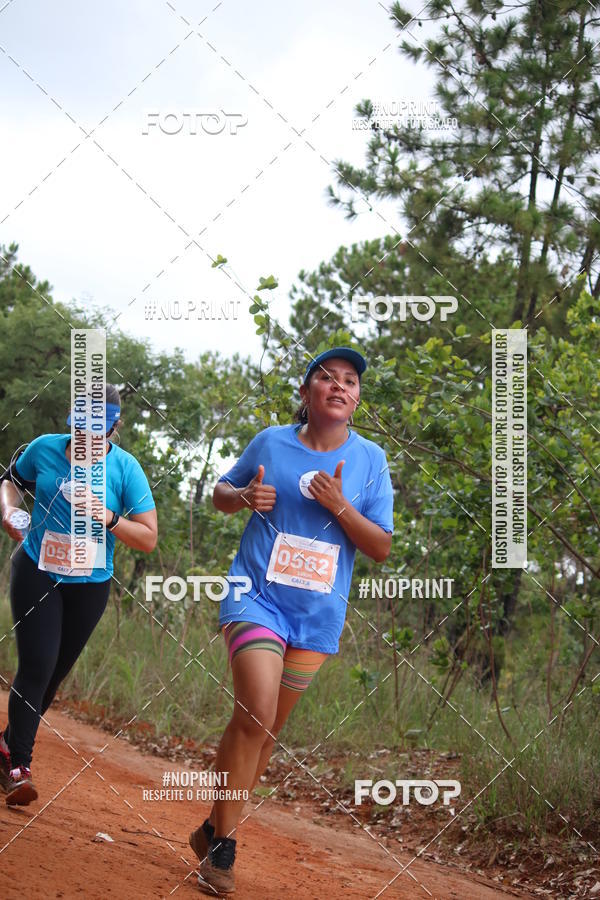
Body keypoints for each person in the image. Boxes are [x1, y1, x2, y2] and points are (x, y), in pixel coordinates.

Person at [189, 348, 394, 894]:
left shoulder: (371, 461)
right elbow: (220, 494)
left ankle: (213, 826)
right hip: (255, 597)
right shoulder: (270, 442)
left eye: (350, 381)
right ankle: (224, 852)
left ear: (356, 399)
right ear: (305, 394)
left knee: (265, 733)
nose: (339, 386)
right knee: (254, 713)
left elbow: (381, 547)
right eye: (326, 378)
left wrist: (339, 506)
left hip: (316, 616)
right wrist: (244, 496)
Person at [0, 384, 157, 806]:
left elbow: (147, 538)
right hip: (37, 568)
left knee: (53, 676)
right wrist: (9, 510)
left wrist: (107, 516)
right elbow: (10, 482)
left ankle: (6, 745)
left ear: (114, 427)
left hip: (89, 585)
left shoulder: (125, 469)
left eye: (99, 431)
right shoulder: (44, 448)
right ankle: (18, 766)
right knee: (37, 664)